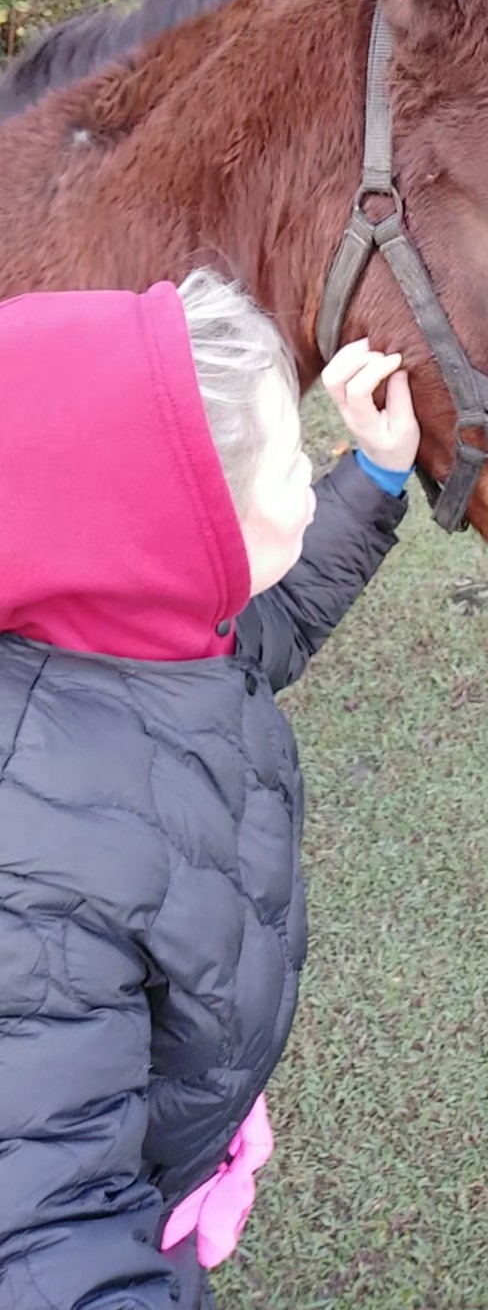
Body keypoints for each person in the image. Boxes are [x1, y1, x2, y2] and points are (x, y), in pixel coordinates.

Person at [0, 270, 421, 1310]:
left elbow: (268, 623)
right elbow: (41, 1241)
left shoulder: (140, 638)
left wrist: (373, 473)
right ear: (183, 533)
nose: (304, 476)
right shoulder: (33, 882)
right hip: (145, 1219)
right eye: (287, 462)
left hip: (176, 1139)